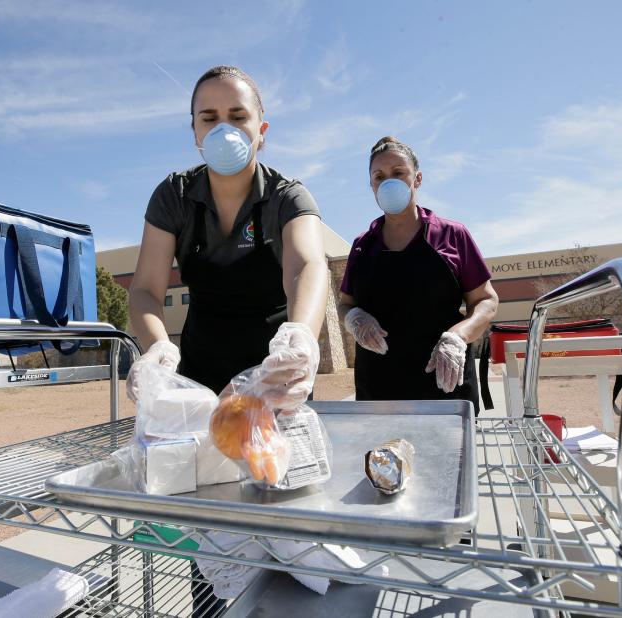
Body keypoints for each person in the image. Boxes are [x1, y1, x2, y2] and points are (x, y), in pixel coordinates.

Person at [127, 65, 328, 617]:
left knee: (284, 513)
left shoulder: (286, 195)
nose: (224, 129)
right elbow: (144, 290)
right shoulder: (174, 196)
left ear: (263, 128)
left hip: (275, 373)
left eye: (238, 116)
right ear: (193, 131)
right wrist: (156, 349)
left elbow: (308, 266)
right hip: (202, 379)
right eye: (208, 117)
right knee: (216, 533)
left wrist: (301, 339)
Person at [338, 136, 498, 412]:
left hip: (445, 390)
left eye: (398, 173)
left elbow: (486, 300)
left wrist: (459, 336)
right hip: (378, 393)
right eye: (379, 176)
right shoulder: (363, 246)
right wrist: (354, 318)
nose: (388, 182)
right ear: (372, 185)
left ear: (418, 178)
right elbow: (345, 303)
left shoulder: (452, 235)